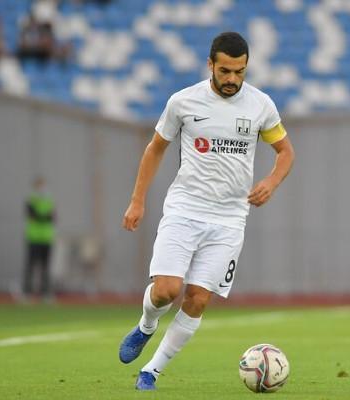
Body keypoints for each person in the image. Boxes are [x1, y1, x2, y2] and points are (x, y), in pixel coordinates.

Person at [118, 32, 295, 391]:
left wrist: (271, 182)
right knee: (166, 290)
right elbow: (155, 149)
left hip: (229, 220)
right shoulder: (183, 102)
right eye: (225, 71)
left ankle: (151, 372)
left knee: (197, 298)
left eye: (240, 72)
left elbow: (286, 152)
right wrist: (137, 200)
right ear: (210, 65)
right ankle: (146, 326)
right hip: (184, 209)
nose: (232, 79)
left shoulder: (261, 105)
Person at [23, 177, 56, 300]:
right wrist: (44, 217)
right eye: (39, 186)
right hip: (34, 237)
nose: (41, 188)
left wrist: (41, 217)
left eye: (42, 185)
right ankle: (27, 292)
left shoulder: (49, 199)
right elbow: (32, 215)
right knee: (31, 265)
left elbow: (52, 217)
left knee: (45, 267)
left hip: (46, 237)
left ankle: (45, 293)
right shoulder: (31, 199)